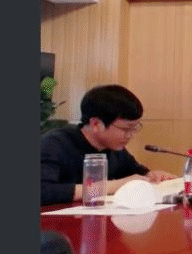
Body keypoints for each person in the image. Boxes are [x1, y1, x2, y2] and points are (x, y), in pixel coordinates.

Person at [41, 85, 176, 205]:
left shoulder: (115, 148)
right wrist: (113, 186)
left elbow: (135, 173)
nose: (131, 135)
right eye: (126, 129)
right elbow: (42, 191)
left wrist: (152, 176)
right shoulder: (55, 144)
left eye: (135, 128)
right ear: (96, 124)